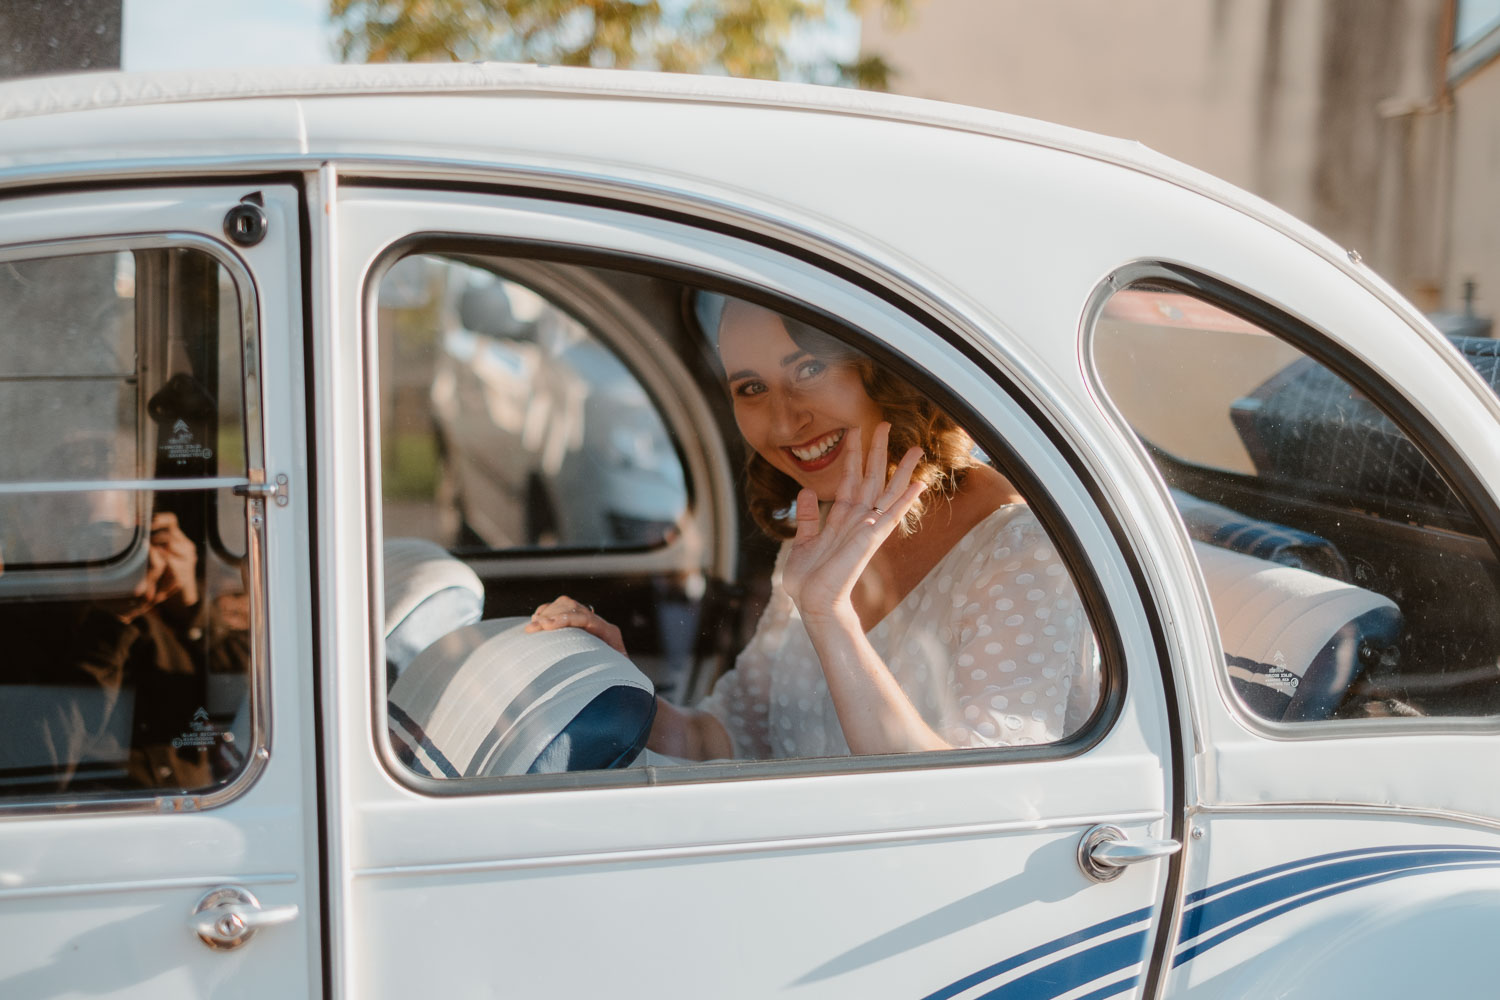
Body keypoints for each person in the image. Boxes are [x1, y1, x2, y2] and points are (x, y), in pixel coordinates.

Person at [528, 300, 1097, 760]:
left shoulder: (1020, 552)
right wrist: (618, 687)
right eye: (751, 388)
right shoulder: (814, 536)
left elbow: (978, 807)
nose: (784, 420)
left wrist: (831, 618)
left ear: (885, 367)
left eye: (809, 368)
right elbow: (726, 741)